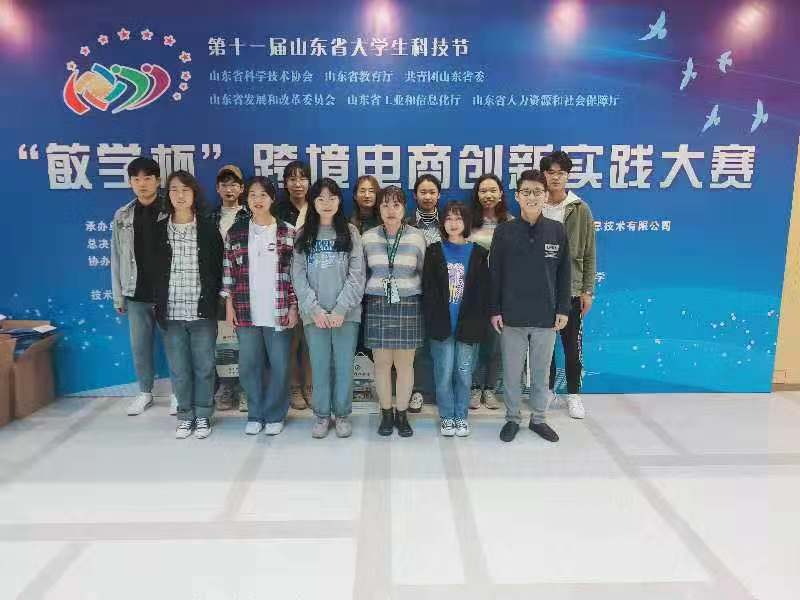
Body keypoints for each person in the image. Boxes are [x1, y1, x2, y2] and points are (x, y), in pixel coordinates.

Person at [489, 169, 571, 443]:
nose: (532, 197)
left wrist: (563, 309)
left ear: (546, 196)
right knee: (512, 373)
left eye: (537, 192)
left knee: (540, 372)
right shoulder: (504, 231)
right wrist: (495, 309)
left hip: (546, 316)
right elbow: (495, 273)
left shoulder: (557, 230)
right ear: (517, 196)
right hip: (511, 315)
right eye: (526, 192)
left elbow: (564, 273)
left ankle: (538, 419)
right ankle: (512, 418)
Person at [223, 176, 298, 436]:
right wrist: (229, 304)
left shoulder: (287, 232)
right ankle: (255, 414)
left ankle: (275, 414)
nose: (257, 200)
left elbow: (294, 274)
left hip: (278, 309)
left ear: (272, 199)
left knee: (280, 365)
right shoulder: (236, 232)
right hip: (246, 309)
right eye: (253, 195)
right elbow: (228, 271)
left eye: (263, 195)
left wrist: (293, 306)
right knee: (249, 365)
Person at [292, 178, 366, 439]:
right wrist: (315, 310)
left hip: (346, 314)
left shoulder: (350, 232)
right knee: (320, 365)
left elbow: (357, 275)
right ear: (313, 202)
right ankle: (322, 415)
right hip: (315, 316)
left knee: (344, 366)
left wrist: (341, 309)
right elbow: (297, 275)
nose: (326, 203)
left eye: (332, 198)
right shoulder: (304, 234)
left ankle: (343, 415)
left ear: (339, 201)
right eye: (321, 198)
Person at [152, 171, 223, 439]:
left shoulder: (208, 228)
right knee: (179, 370)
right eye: (174, 190)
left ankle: (203, 415)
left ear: (194, 194)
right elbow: (151, 270)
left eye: (185, 190)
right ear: (167, 195)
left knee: (204, 367)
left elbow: (218, 268)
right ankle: (185, 416)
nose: (179, 195)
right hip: (171, 312)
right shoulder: (158, 230)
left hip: (201, 311)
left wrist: (216, 301)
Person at [110, 156, 177, 416]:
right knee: (140, 347)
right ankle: (145, 392)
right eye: (136, 179)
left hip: (168, 293)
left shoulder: (172, 210)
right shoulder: (123, 215)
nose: (142, 184)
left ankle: (178, 393)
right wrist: (118, 297)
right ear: (130, 183)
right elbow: (116, 257)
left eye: (147, 178)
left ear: (158, 181)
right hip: (136, 292)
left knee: (175, 346)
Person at [362, 185, 426, 437]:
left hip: (408, 304)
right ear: (378, 208)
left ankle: (402, 414)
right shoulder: (367, 237)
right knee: (381, 364)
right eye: (385, 204)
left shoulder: (417, 237)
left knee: (405, 365)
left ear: (404, 208)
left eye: (396, 205)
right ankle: (386, 414)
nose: (391, 210)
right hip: (378, 304)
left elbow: (423, 272)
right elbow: (361, 273)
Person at [422, 201, 489, 438]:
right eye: (448, 218)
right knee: (443, 374)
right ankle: (446, 416)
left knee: (463, 373)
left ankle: (461, 416)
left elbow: (484, 293)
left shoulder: (479, 253)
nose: (453, 223)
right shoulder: (433, 251)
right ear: (442, 223)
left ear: (466, 223)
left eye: (458, 218)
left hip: (468, 326)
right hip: (441, 325)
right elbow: (428, 290)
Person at [540, 151, 597, 419]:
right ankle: (547, 391)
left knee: (572, 347)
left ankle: (574, 395)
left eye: (560, 173)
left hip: (571, 290)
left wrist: (587, 290)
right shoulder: (536, 205)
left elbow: (589, 252)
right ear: (544, 175)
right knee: (544, 348)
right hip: (541, 290)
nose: (555, 177)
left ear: (567, 176)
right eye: (550, 172)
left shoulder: (579, 208)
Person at [468, 173, 514, 411]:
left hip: (503, 293)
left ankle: (490, 388)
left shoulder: (511, 223)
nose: (488, 195)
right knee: (474, 341)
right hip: (474, 291)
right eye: (483, 190)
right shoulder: (468, 222)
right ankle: (474, 387)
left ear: (501, 193)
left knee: (496, 344)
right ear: (477, 194)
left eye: (493, 190)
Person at [274, 160, 313, 410]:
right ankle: (294, 387)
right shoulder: (277, 210)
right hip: (285, 281)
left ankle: (310, 385)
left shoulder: (317, 207)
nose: (298, 183)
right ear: (285, 183)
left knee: (311, 340)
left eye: (302, 178)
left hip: (314, 282)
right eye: (292, 178)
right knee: (291, 340)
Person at [210, 164, 248, 413]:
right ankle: (226, 387)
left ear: (242, 188)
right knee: (222, 340)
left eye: (234, 184)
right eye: (224, 184)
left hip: (245, 286)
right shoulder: (208, 217)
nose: (229, 189)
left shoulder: (251, 214)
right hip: (217, 287)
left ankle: (246, 388)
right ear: (217, 188)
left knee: (246, 341)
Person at [408, 173, 442, 413]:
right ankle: (418, 391)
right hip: (416, 292)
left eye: (432, 192)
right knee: (418, 346)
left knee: (441, 344)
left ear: (439, 195)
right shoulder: (407, 223)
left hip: (444, 294)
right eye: (423, 192)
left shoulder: (450, 221)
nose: (427, 196)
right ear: (415, 195)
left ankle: (441, 390)